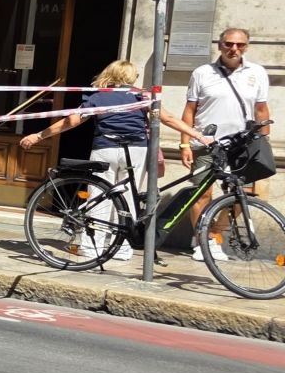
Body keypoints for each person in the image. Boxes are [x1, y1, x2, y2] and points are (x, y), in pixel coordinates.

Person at [21, 60, 211, 264]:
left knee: (99, 194)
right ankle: (122, 248)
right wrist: (199, 137)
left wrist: (39, 135)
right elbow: (169, 119)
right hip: (136, 150)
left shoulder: (98, 96)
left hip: (106, 148)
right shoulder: (142, 95)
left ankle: (91, 247)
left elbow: (71, 121)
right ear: (130, 77)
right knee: (129, 198)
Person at [178, 27, 272, 260]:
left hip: (242, 145)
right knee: (202, 194)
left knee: (245, 193)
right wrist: (185, 144)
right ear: (220, 45)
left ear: (246, 47)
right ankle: (203, 242)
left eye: (240, 45)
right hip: (207, 143)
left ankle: (215, 235)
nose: (234, 49)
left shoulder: (257, 72)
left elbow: (261, 109)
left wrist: (264, 141)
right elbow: (190, 110)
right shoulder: (202, 73)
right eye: (229, 44)